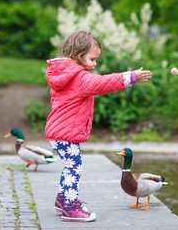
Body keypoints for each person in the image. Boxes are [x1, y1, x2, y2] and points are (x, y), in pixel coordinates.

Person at [45, 30, 153, 222]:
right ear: (79, 55)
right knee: (74, 168)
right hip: (64, 134)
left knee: (70, 167)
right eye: (92, 59)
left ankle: (63, 200)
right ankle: (69, 209)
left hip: (58, 132)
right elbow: (103, 83)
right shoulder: (79, 78)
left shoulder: (64, 74)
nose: (95, 63)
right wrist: (131, 77)